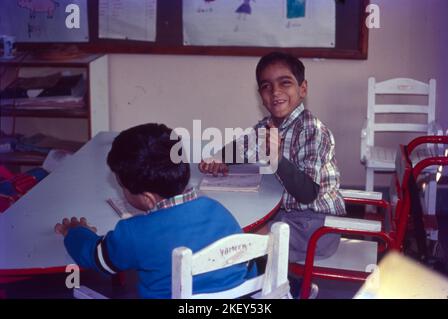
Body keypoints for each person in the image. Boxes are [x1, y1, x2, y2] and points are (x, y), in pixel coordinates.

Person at [55, 123, 254, 298]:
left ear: (147, 198)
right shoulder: (217, 209)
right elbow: (245, 265)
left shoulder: (134, 232)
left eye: (122, 187)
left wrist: (74, 232)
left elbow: (97, 259)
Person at [199, 51, 346, 263]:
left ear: (302, 89)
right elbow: (240, 147)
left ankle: (277, 290)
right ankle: (275, 285)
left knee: (239, 242)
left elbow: (307, 193)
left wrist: (277, 159)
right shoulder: (267, 126)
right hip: (286, 217)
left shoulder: (313, 130)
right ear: (261, 95)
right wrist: (218, 158)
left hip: (315, 227)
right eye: (266, 86)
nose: (275, 92)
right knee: (235, 228)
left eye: (285, 83)